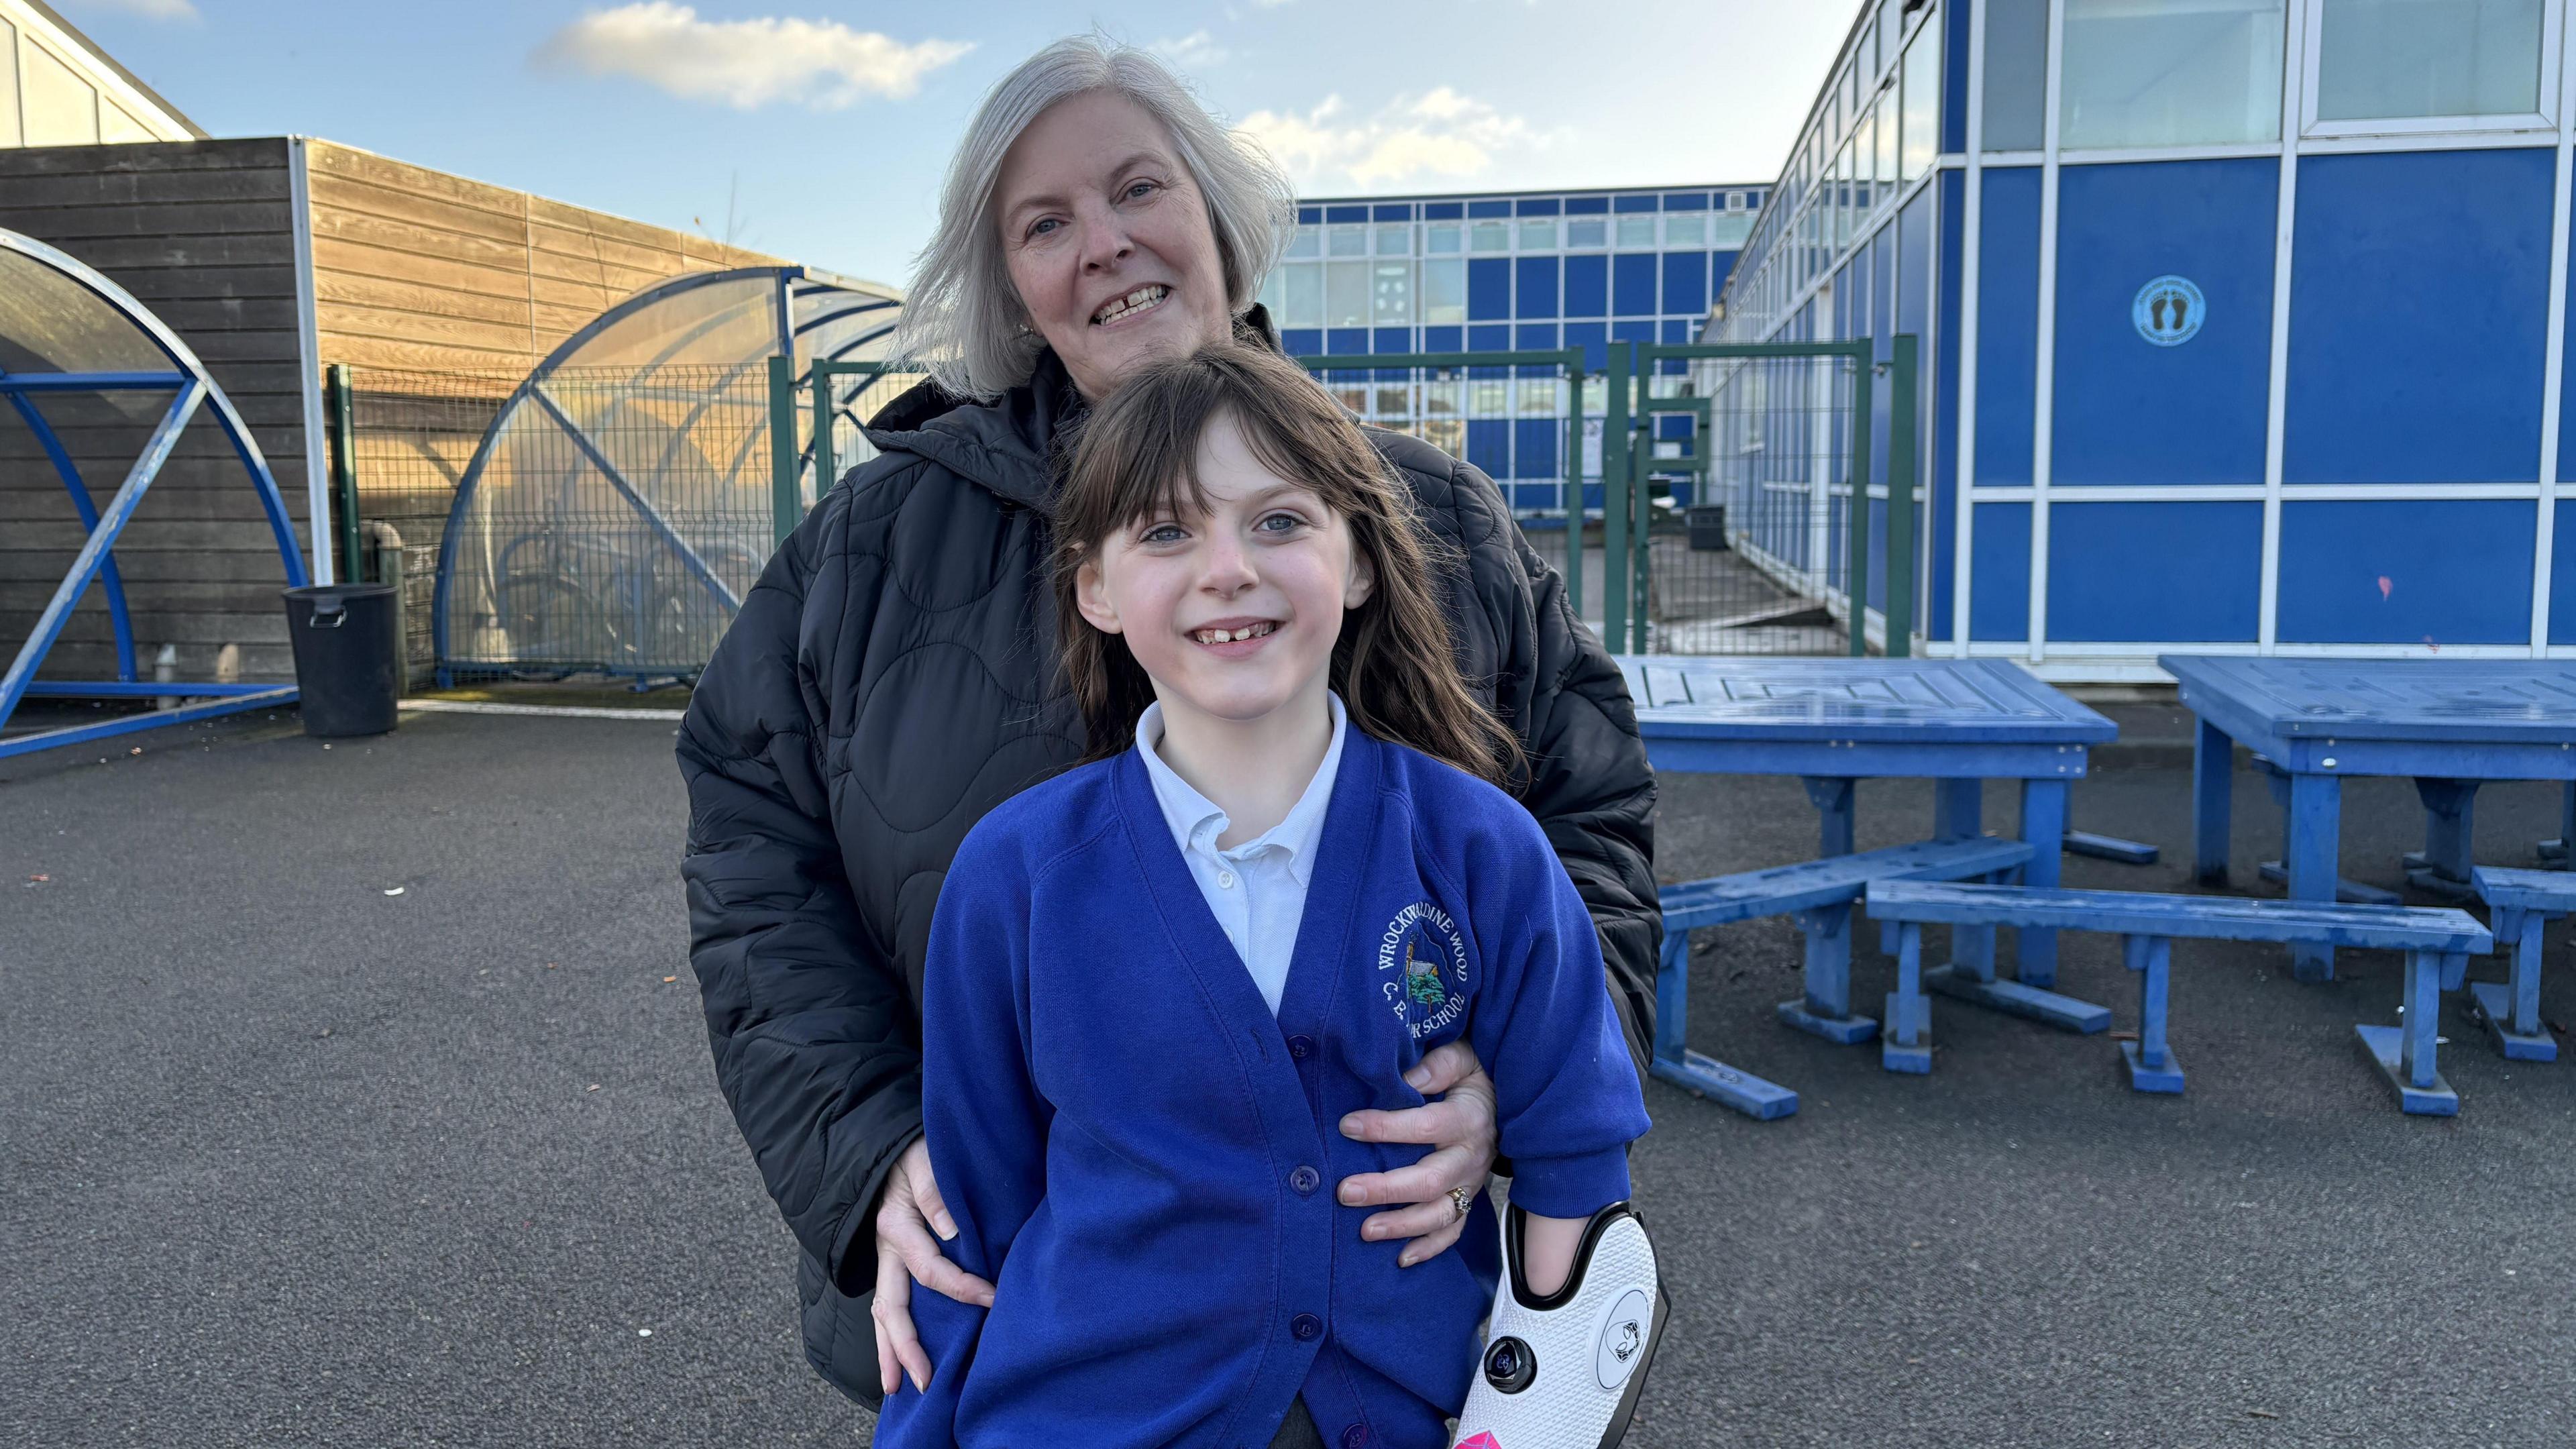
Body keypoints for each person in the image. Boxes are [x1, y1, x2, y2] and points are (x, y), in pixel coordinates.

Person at [675, 34, 1661, 1413]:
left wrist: (1515, 1083)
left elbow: (1588, 823)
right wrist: (870, 1149)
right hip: (1028, 1315)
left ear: (1214, 216)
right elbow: (750, 859)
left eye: (1139, 189)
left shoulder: (1430, 516)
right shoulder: (869, 549)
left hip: (1385, 1353)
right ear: (1006, 279)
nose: (1105, 244)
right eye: (1045, 222)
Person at [875, 339, 1651, 1449]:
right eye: (1166, 531)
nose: (1227, 567)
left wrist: (1536, 1427)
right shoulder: (1015, 875)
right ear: (1096, 585)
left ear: (1362, 562)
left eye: (1280, 521)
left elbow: (1576, 1163)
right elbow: (977, 1208)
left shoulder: (1485, 850)